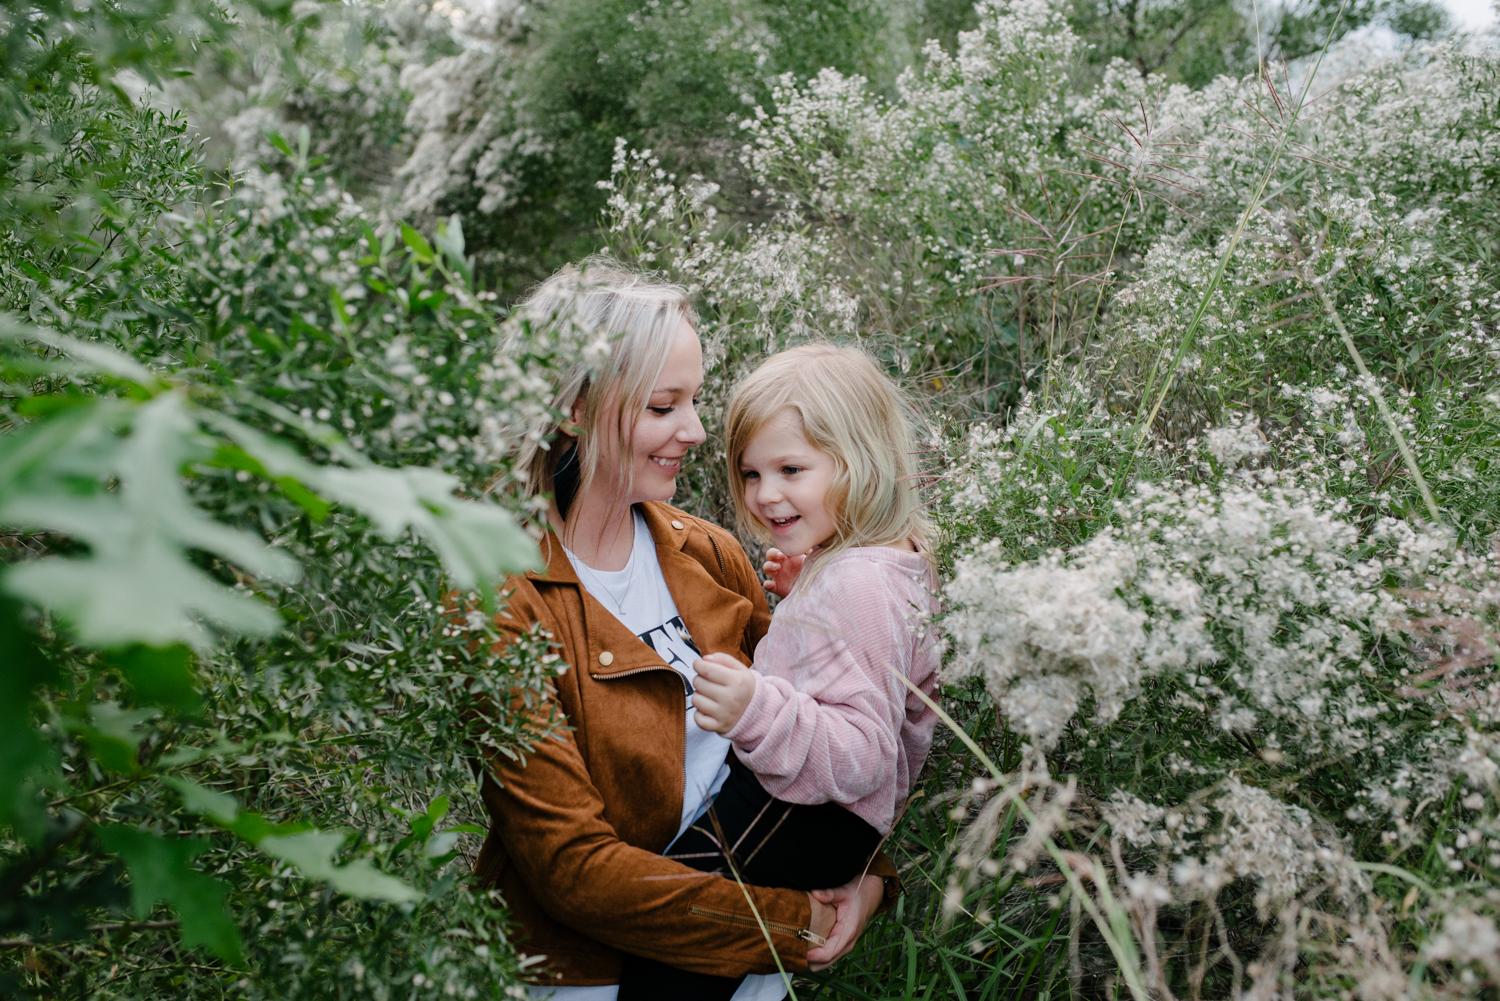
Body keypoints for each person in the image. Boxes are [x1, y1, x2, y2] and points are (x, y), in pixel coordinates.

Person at [472, 259, 900, 1001]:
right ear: (575, 409)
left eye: (695, 400)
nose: (697, 431)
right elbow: (573, 868)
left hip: (753, 976)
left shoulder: (709, 552)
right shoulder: (505, 597)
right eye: (664, 405)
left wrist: (867, 880)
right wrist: (792, 920)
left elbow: (833, 720)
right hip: (596, 981)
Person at [616, 343, 942, 1001]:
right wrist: (810, 588)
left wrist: (754, 709)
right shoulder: (879, 563)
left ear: (862, 462)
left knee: (673, 945)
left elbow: (863, 754)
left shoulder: (858, 584)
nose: (766, 495)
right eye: (751, 473)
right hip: (821, 815)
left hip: (798, 809)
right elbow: (861, 673)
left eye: (792, 468)